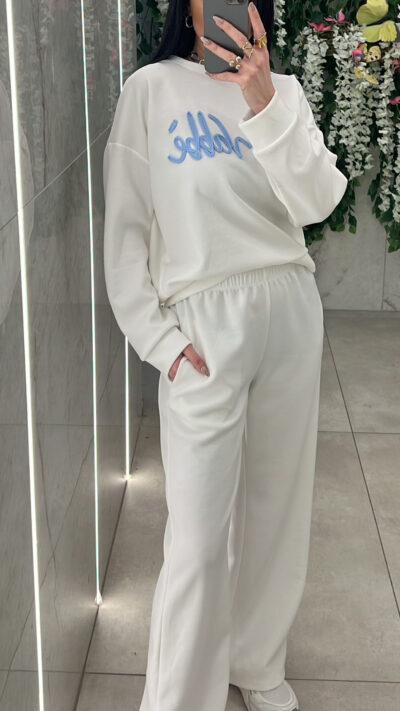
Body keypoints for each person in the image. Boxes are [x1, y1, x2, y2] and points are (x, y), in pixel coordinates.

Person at [102, 1, 348, 710]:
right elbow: (125, 230)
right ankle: (180, 697)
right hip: (203, 325)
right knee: (198, 535)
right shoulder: (151, 90)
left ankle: (257, 660)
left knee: (277, 511)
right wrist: (161, 342)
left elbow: (317, 201)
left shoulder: (285, 92)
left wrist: (263, 99)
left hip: (288, 310)